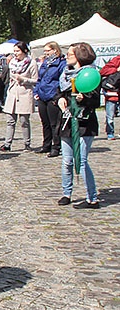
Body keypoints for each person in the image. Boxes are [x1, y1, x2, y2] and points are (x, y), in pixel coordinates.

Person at [56, 42, 101, 208]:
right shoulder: (66, 74)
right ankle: (66, 193)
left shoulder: (91, 74)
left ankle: (92, 196)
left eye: (70, 54)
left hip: (84, 123)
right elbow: (60, 93)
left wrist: (85, 98)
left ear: (80, 56)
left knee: (80, 160)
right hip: (68, 121)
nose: (67, 56)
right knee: (66, 160)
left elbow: (96, 100)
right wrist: (59, 99)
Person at [0, 41, 38, 152]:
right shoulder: (12, 63)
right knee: (10, 121)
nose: (15, 53)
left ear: (24, 51)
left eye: (17, 51)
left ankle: (27, 143)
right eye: (14, 51)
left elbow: (35, 80)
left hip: (24, 93)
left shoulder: (31, 63)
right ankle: (7, 144)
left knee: (24, 121)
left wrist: (23, 79)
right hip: (12, 93)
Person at [33, 41, 66, 157]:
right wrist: (36, 91)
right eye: (45, 51)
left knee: (54, 123)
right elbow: (39, 78)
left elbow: (62, 80)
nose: (46, 53)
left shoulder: (62, 63)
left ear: (55, 50)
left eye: (48, 50)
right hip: (42, 94)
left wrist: (57, 94)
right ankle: (46, 144)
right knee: (45, 122)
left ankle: (56, 146)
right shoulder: (45, 63)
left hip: (53, 95)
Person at [100, 54, 120, 140]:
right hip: (112, 94)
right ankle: (110, 133)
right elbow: (103, 71)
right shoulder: (117, 59)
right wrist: (116, 70)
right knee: (110, 117)